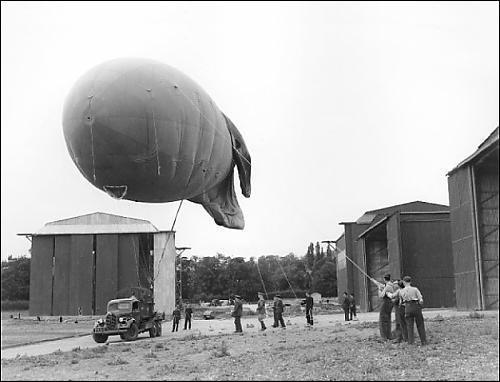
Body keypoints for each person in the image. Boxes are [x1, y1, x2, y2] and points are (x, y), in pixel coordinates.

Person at [400, 276, 427, 345]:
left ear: (404, 282)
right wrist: (420, 304)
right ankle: (423, 341)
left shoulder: (401, 291)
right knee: (420, 324)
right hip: (415, 306)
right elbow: (421, 299)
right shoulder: (415, 289)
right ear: (410, 282)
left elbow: (401, 302)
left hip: (407, 307)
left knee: (409, 325)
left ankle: (411, 342)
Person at [377, 274, 395, 340]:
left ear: (384, 279)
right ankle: (389, 335)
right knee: (388, 318)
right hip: (390, 303)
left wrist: (379, 289)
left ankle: (384, 336)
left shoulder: (387, 287)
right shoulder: (391, 285)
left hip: (385, 303)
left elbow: (381, 296)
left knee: (382, 320)